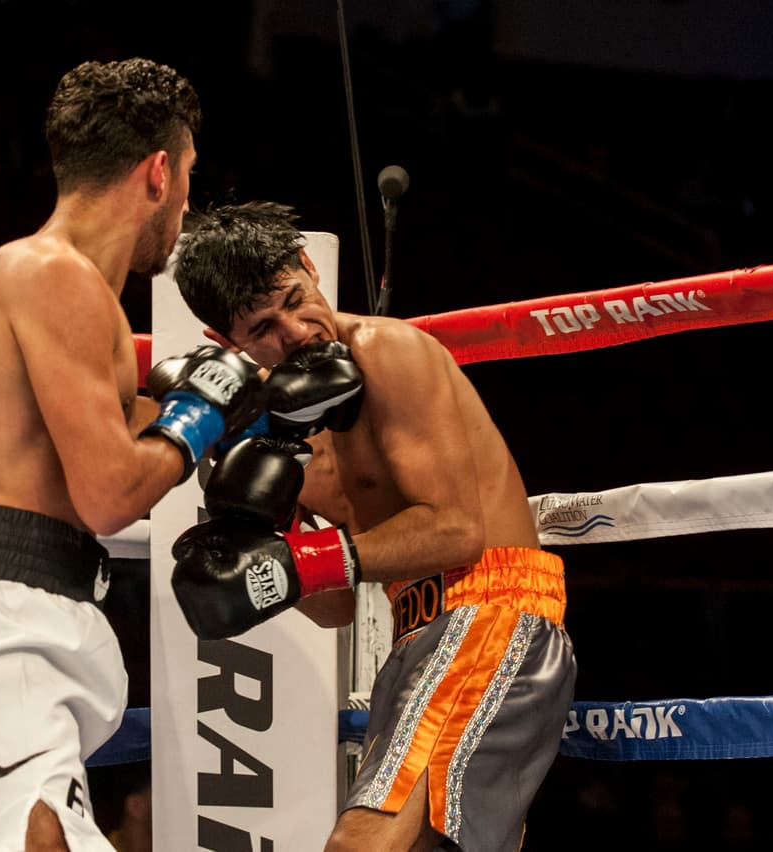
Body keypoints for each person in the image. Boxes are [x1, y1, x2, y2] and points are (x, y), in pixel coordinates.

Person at [0, 58, 275, 852]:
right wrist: (201, 414)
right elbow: (110, 493)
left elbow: (134, 437)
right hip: (7, 623)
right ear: (158, 172)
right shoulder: (52, 276)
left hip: (28, 613)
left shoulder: (73, 293)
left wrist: (242, 404)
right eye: (188, 176)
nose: (187, 202)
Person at [168, 201, 577, 852]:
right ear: (227, 342)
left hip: (489, 612)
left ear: (309, 267)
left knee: (360, 843)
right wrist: (262, 546)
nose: (296, 332)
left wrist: (300, 563)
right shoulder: (281, 434)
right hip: (416, 634)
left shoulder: (387, 351)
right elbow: (335, 606)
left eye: (294, 300)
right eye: (263, 328)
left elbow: (455, 532)